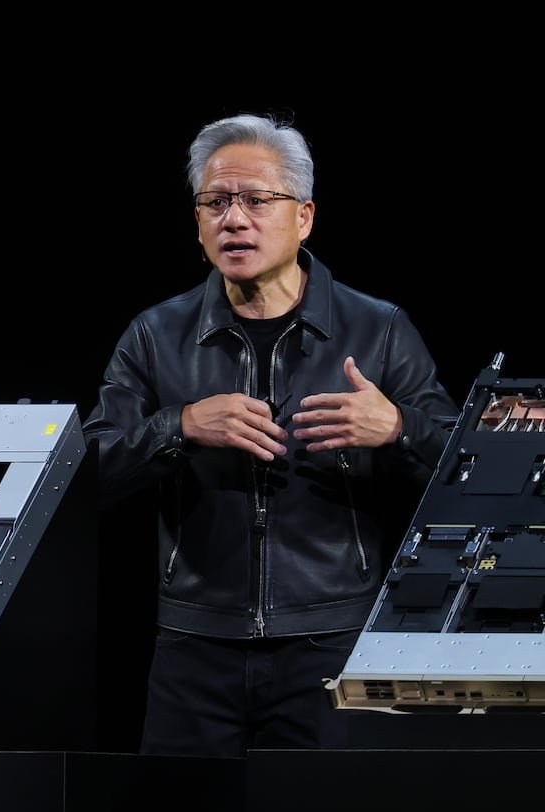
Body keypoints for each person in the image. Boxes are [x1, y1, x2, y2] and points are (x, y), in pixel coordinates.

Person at [82, 112, 459, 758]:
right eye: (216, 202)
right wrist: (180, 425)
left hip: (331, 644)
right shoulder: (154, 335)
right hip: (194, 650)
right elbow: (85, 474)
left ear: (303, 216)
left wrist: (397, 428)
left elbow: (462, 475)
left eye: (256, 200)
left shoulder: (379, 330)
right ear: (197, 222)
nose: (234, 219)